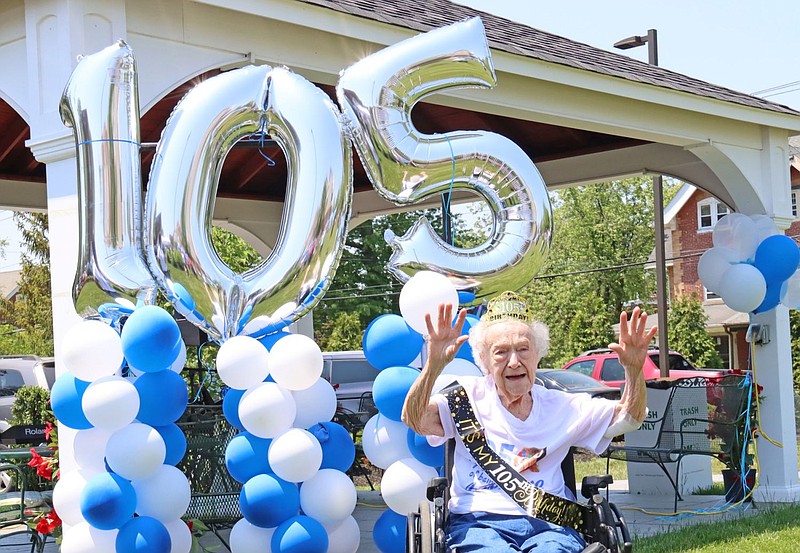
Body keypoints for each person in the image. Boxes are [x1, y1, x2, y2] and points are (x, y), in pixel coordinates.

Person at [402, 291, 657, 553]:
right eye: (501, 352)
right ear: (485, 361)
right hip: (478, 524)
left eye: (523, 349)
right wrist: (433, 364)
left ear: (537, 355)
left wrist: (634, 370)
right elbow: (414, 418)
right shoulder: (464, 399)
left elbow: (630, 418)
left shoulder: (562, 405)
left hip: (552, 525)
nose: (514, 361)